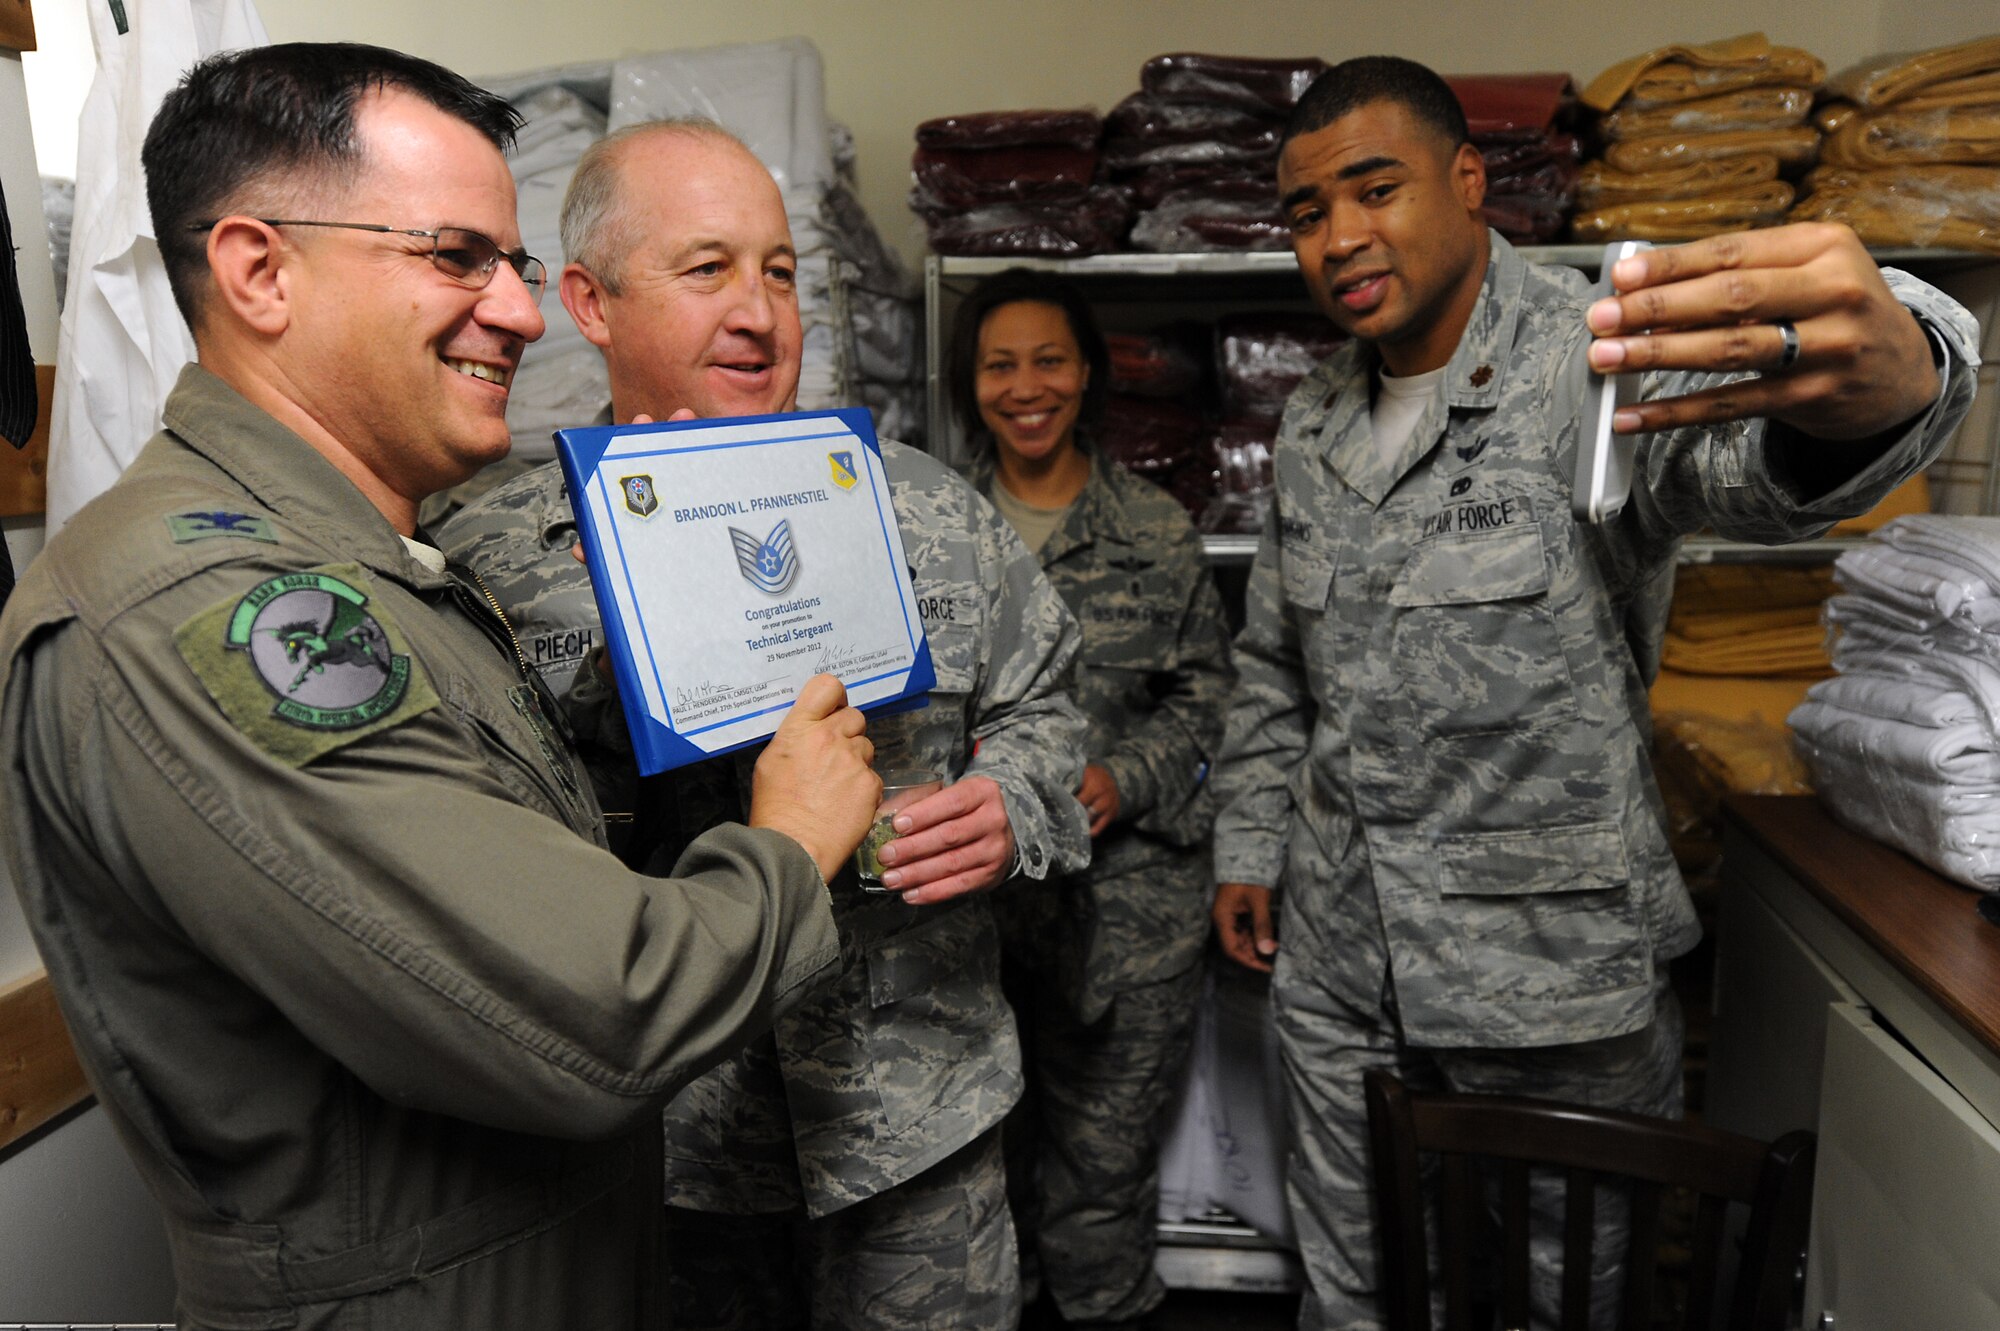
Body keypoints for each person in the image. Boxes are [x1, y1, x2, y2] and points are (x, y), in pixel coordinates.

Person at [0, 45, 885, 1330]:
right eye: (454, 257)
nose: (522, 314)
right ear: (259, 271)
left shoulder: (383, 559)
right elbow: (598, 1008)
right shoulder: (202, 613)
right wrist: (790, 841)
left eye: (512, 265)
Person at [1206, 55, 1981, 1331]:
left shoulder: (1595, 362)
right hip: (1340, 958)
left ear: (1466, 182)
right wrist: (1247, 844)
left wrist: (1892, 376)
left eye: (1373, 187)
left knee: (1562, 1295)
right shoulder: (1311, 419)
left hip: (1548, 974)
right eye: (1303, 212)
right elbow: (1277, 662)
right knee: (1355, 1283)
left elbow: (1755, 447)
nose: (1338, 236)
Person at [438, 119, 1091, 1330]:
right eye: (706, 270)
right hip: (664, 1160)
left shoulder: (928, 511)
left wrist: (1016, 804)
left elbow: (1047, 703)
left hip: (918, 1136)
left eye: (778, 271)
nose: (758, 312)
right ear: (591, 299)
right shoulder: (488, 562)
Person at [944, 268, 1233, 1329]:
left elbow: (1209, 695)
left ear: (1088, 373)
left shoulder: (1151, 529)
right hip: (975, 926)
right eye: (998, 363)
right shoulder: (938, 528)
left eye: (1049, 359)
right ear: (968, 383)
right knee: (979, 1195)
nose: (1026, 387)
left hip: (1130, 926)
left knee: (1095, 1194)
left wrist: (1131, 775)